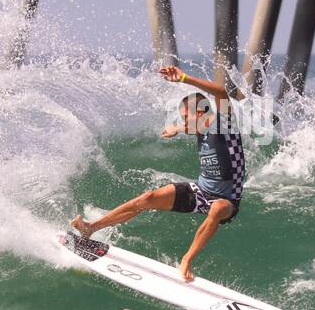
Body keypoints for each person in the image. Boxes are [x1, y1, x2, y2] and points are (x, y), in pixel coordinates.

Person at [70, 66, 244, 282]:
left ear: (200, 112)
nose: (184, 121)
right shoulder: (198, 127)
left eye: (185, 117)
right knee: (147, 198)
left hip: (228, 200)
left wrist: (184, 78)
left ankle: (187, 259)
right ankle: (91, 228)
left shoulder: (224, 124)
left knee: (217, 208)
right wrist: (177, 129)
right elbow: (192, 127)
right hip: (201, 191)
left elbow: (220, 92)